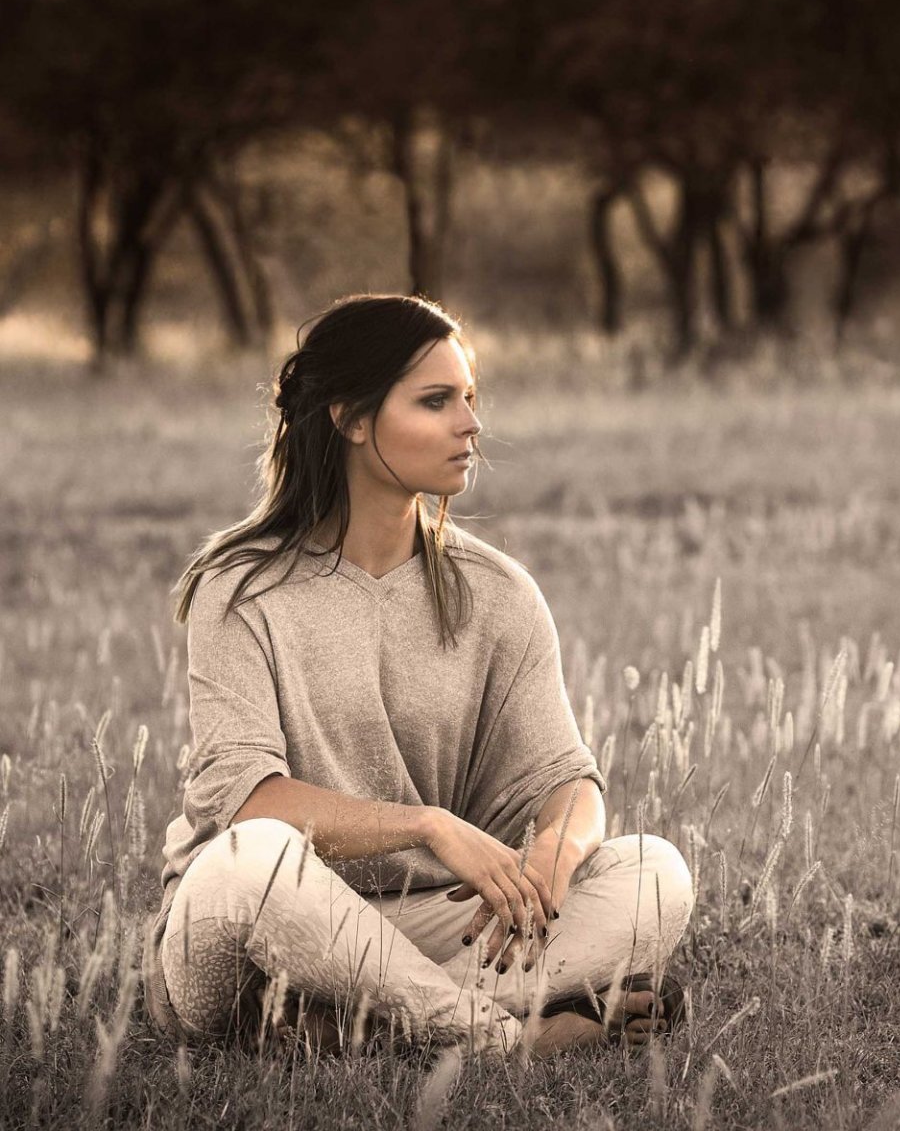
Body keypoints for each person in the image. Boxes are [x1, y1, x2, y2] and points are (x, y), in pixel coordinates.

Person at [146, 294, 692, 1057]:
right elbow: (249, 805)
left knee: (654, 872)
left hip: (424, 922)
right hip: (254, 927)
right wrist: (430, 825)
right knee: (250, 864)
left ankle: (348, 1027)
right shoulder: (239, 591)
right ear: (351, 418)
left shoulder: (499, 592)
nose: (470, 424)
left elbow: (568, 779)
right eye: (436, 401)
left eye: (469, 398)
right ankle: (501, 1041)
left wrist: (549, 862)